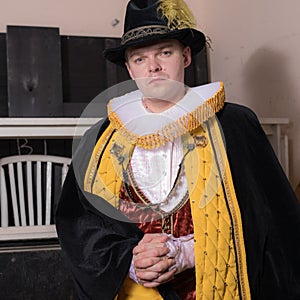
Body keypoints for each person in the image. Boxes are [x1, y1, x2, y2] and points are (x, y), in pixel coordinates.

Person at [55, 0, 300, 299]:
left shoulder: (236, 125)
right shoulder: (100, 138)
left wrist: (186, 253)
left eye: (165, 52)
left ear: (185, 56)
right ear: (130, 69)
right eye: (139, 58)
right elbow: (81, 226)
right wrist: (129, 262)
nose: (153, 67)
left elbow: (269, 222)